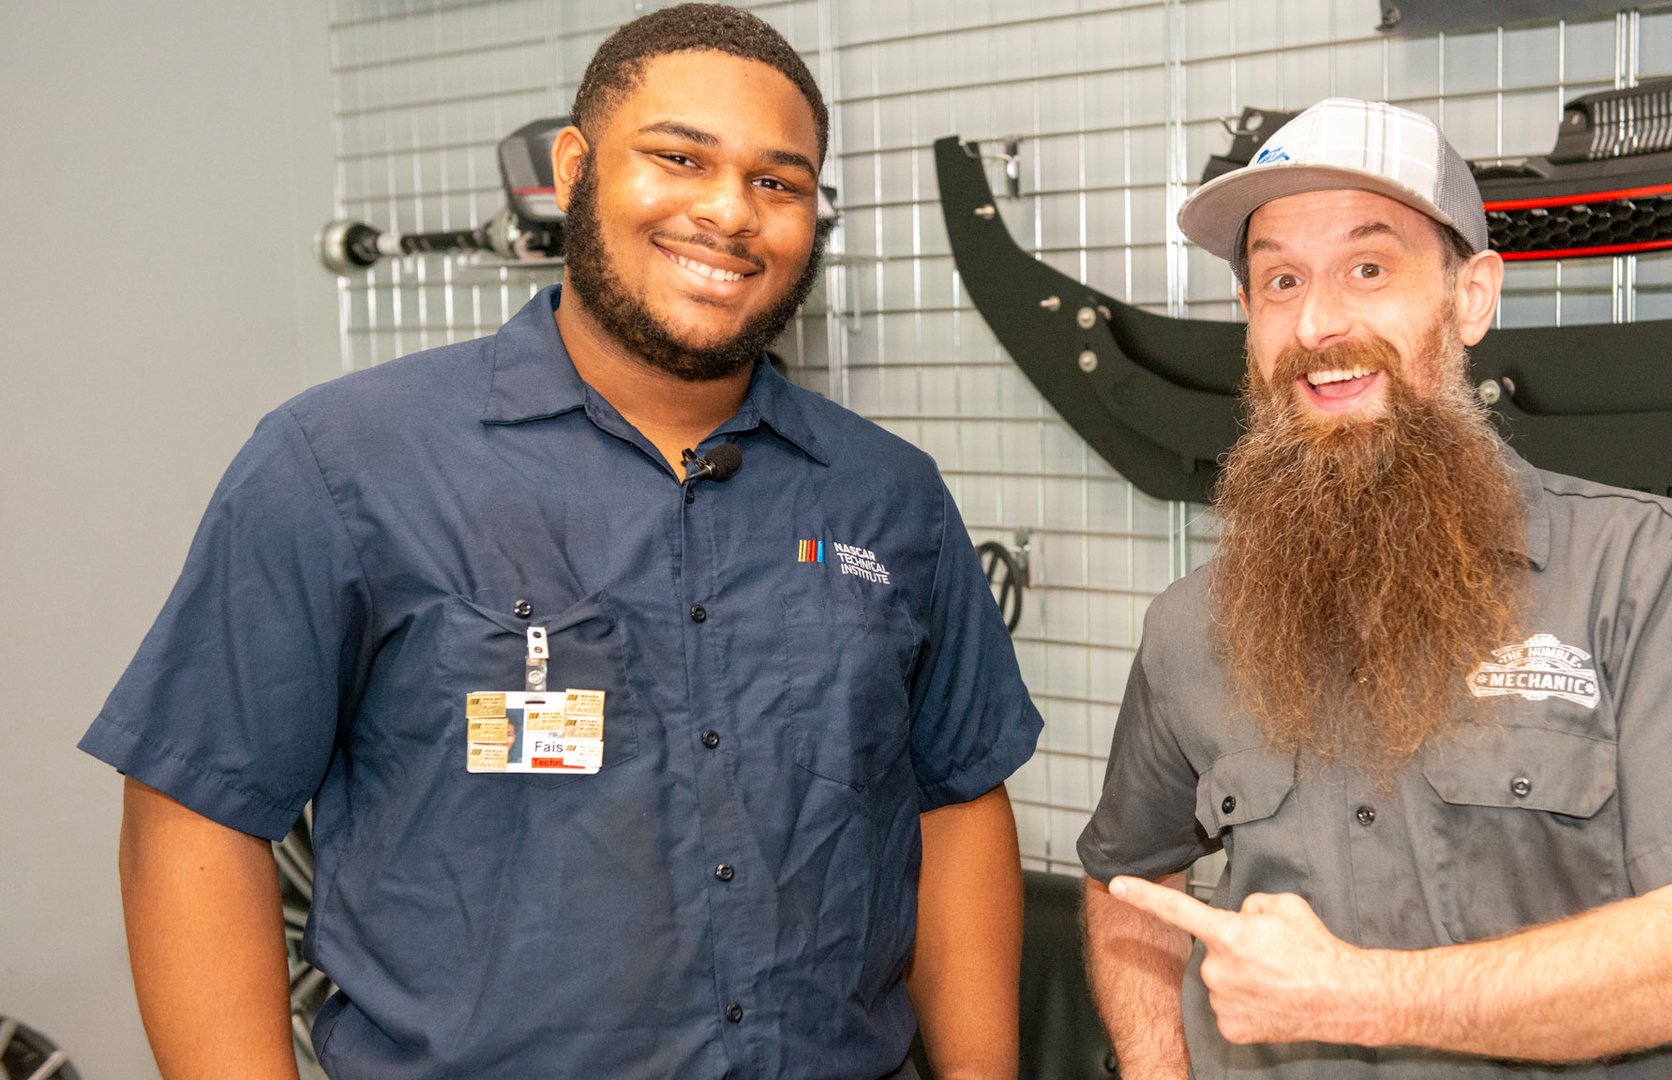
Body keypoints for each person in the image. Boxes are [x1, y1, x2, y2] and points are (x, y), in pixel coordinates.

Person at [82, 7, 1040, 1079]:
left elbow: (955, 804)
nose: (729, 212)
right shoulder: (344, 464)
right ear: (575, 170)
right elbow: (194, 810)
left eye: (779, 183)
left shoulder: (886, 497)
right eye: (680, 158)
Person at [1077, 98, 1672, 1079]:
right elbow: (1124, 882)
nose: (1320, 322)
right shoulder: (1189, 626)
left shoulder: (1649, 575)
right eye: (1281, 280)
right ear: (1249, 318)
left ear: (1472, 297)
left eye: (1370, 268)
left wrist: (1358, 996)